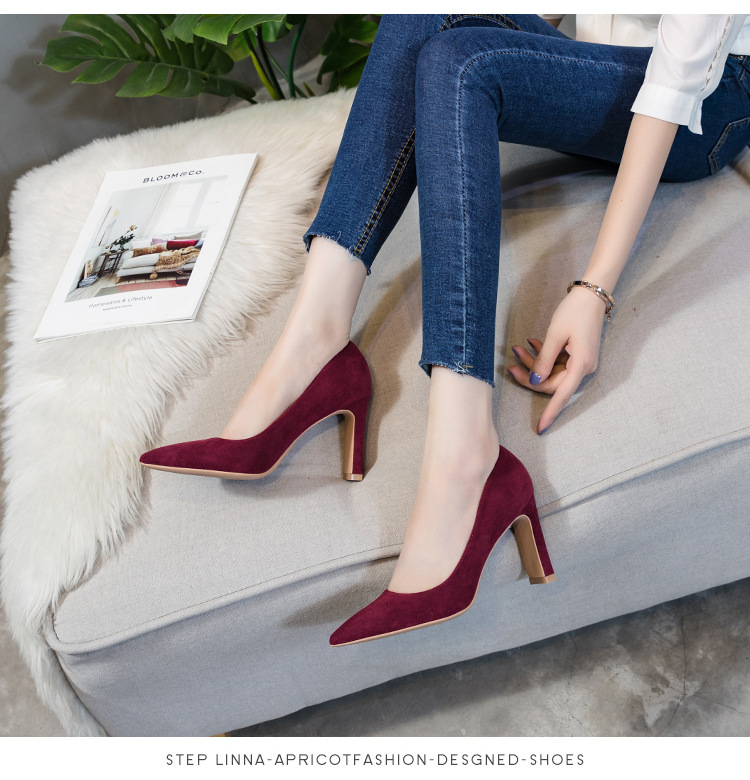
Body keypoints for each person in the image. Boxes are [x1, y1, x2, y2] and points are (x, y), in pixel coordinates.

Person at [141, 14, 750, 645]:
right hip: (602, 64)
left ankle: (465, 455)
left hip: (707, 106)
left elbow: (671, 88)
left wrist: (593, 290)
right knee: (424, 13)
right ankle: (312, 343)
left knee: (463, 63)